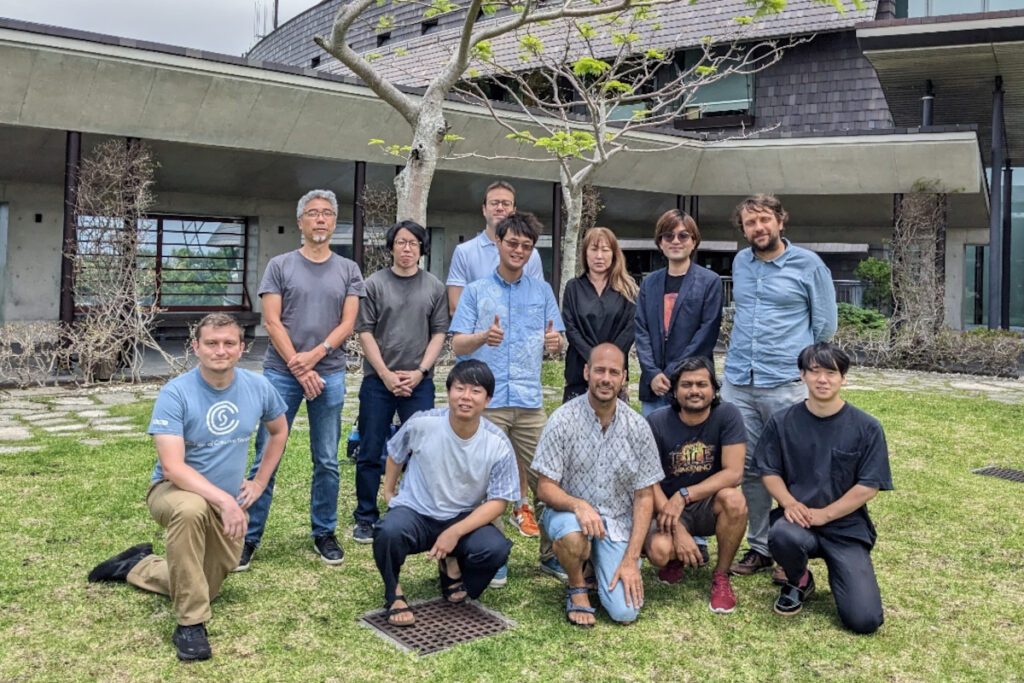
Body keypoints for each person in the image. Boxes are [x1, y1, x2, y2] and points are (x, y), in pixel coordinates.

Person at [87, 314, 288, 661]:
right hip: (172, 492)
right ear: (196, 347)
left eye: (228, 343)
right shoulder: (176, 392)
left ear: (242, 348)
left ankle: (135, 566)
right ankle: (190, 625)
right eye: (211, 343)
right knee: (190, 509)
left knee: (203, 587)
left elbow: (279, 431)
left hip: (224, 502)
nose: (220, 350)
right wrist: (225, 499)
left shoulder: (259, 387)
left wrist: (259, 481)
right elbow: (173, 467)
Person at [238, 189, 364, 570]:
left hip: (330, 374)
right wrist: (299, 365)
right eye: (312, 213)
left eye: (327, 213)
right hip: (281, 374)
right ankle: (247, 535)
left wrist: (316, 356)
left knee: (326, 458)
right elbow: (271, 320)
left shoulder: (348, 270)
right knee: (264, 456)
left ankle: (324, 532)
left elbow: (348, 323)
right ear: (300, 222)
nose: (320, 219)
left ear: (334, 221)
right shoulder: (279, 265)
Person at [724, 194, 838, 580]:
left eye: (764, 220)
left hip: (786, 383)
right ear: (743, 230)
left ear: (780, 222)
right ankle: (760, 547)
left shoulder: (809, 265)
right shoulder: (741, 262)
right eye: (750, 223)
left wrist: (801, 365)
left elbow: (824, 325)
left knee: (794, 471)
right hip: (740, 382)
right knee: (750, 470)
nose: (758, 228)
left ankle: (794, 549)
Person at [450, 211, 564, 581]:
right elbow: (456, 345)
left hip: (530, 403)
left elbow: (556, 340)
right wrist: (483, 337)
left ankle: (551, 554)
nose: (518, 250)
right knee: (489, 487)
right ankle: (493, 558)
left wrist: (554, 343)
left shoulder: (542, 291)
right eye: (512, 243)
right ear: (498, 243)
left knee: (548, 481)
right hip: (490, 404)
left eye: (526, 246)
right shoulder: (477, 291)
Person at [753, 343, 891, 634]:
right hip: (797, 521)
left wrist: (826, 515)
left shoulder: (867, 427)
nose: (823, 379)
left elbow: (868, 486)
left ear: (844, 378)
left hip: (845, 529)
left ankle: (845, 573)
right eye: (815, 371)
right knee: (781, 534)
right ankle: (799, 579)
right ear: (802, 375)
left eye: (831, 372)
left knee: (864, 620)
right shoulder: (783, 422)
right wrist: (789, 503)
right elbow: (769, 471)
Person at [372, 360, 519, 626]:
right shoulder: (423, 423)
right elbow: (395, 453)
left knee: (494, 548)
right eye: (459, 388)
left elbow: (499, 502)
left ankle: (454, 567)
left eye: (475, 391)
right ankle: (393, 592)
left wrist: (455, 532)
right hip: (416, 512)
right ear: (448, 392)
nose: (466, 397)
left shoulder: (497, 443)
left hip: (461, 517)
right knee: (387, 531)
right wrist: (389, 492)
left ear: (487, 400)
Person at [534, 343, 662, 627]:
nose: (606, 378)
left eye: (614, 372)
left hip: (616, 523)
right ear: (586, 372)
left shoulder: (638, 427)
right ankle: (578, 587)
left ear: (624, 378)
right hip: (571, 518)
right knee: (573, 536)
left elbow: (644, 497)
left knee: (624, 612)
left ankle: (597, 563)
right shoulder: (562, 420)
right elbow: (545, 488)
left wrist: (631, 559)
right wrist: (578, 505)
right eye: (599, 370)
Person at [351, 220, 448, 544]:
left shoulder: (434, 286)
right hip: (378, 381)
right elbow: (364, 331)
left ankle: (412, 509)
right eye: (401, 242)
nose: (407, 249)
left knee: (420, 449)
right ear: (391, 247)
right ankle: (365, 516)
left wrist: (420, 371)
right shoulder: (374, 284)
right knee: (370, 448)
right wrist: (386, 375)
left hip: (418, 382)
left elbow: (439, 334)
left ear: (422, 249)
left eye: (414, 244)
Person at [643, 356, 747, 614]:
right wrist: (677, 528)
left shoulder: (728, 415)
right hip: (665, 507)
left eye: (702, 384)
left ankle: (721, 576)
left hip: (706, 504)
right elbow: (647, 481)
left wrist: (685, 495)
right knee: (659, 551)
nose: (694, 391)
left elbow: (734, 473)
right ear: (675, 391)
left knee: (735, 500)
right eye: (686, 385)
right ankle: (676, 558)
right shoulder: (656, 422)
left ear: (714, 389)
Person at [635, 208, 722, 418]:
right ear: (660, 242)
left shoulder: (710, 282)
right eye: (668, 235)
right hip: (654, 387)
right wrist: (652, 373)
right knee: (652, 446)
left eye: (683, 235)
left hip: (691, 384)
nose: (676, 241)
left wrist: (672, 372)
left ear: (694, 242)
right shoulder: (649, 283)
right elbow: (641, 330)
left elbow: (706, 334)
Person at [446, 179, 544, 317]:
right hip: (475, 336)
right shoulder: (464, 252)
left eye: (506, 204)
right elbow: (456, 308)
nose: (500, 208)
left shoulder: (531, 255)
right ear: (484, 209)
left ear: (514, 210)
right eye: (494, 203)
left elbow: (537, 303)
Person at [561, 226, 638, 403]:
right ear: (585, 253)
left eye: (605, 250)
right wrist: (593, 359)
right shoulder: (573, 287)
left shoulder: (628, 289)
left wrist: (608, 360)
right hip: (579, 370)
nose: (599, 256)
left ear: (614, 254)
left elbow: (630, 329)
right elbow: (571, 329)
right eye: (594, 249)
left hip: (614, 372)